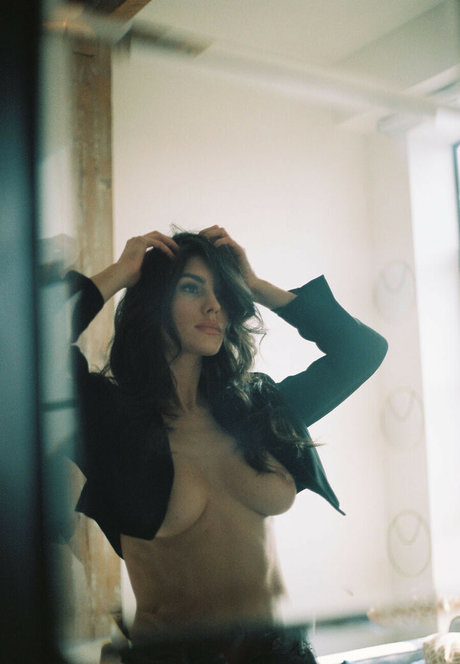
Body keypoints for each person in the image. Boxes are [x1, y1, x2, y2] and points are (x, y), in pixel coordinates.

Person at [65, 226, 388, 663]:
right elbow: (24, 346)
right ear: (154, 298)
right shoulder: (111, 422)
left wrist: (253, 285)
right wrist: (122, 273)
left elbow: (362, 350)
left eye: (222, 292)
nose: (214, 305)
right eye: (192, 287)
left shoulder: (257, 409)